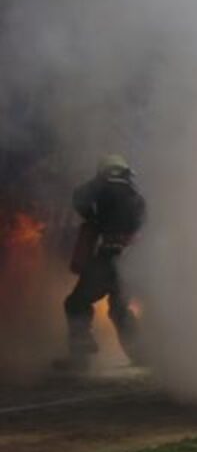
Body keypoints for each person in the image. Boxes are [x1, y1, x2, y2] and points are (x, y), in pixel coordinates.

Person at [55, 154, 146, 370]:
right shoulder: (137, 198)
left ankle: (80, 354)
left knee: (76, 303)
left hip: (108, 259)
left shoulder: (101, 188)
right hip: (131, 262)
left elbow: (79, 198)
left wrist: (93, 214)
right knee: (119, 308)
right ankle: (141, 354)